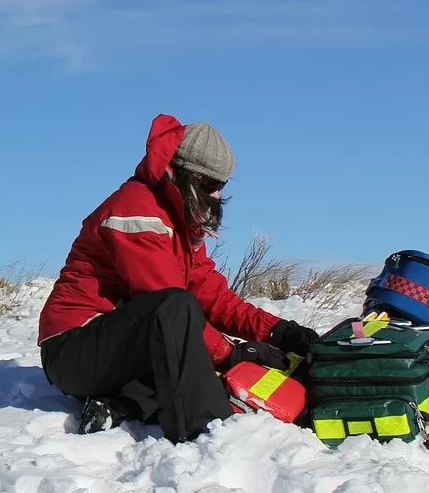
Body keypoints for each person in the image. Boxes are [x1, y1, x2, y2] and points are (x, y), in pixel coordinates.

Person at [37, 113, 321, 444]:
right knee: (179, 319)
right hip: (73, 349)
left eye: (222, 185)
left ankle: (124, 404)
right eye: (210, 185)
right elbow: (169, 308)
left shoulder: (179, 224)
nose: (216, 197)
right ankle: (211, 431)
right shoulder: (137, 212)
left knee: (193, 354)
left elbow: (213, 297)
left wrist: (278, 331)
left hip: (116, 346)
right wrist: (232, 353)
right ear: (179, 173)